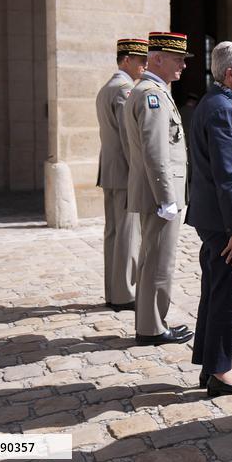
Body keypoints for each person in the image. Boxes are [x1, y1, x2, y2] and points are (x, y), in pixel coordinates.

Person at [185, 42, 232, 397]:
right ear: (229, 74)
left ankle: (210, 364)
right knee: (228, 296)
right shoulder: (221, 108)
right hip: (224, 221)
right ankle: (220, 371)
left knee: (216, 291)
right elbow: (228, 173)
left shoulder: (221, 101)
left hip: (216, 216)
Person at [123, 31, 194, 346]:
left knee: (155, 258)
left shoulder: (154, 91)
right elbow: (155, 152)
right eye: (178, 59)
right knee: (157, 261)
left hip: (157, 192)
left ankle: (152, 322)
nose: (182, 66)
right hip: (160, 194)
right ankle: (152, 328)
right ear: (158, 59)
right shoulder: (152, 95)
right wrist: (166, 197)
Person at [95, 38, 148, 312]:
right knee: (127, 235)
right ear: (126, 60)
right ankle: (124, 293)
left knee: (114, 234)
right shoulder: (125, 89)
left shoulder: (107, 87)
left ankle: (113, 290)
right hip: (125, 172)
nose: (144, 66)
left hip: (110, 171)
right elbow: (129, 139)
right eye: (140, 61)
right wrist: (139, 173)